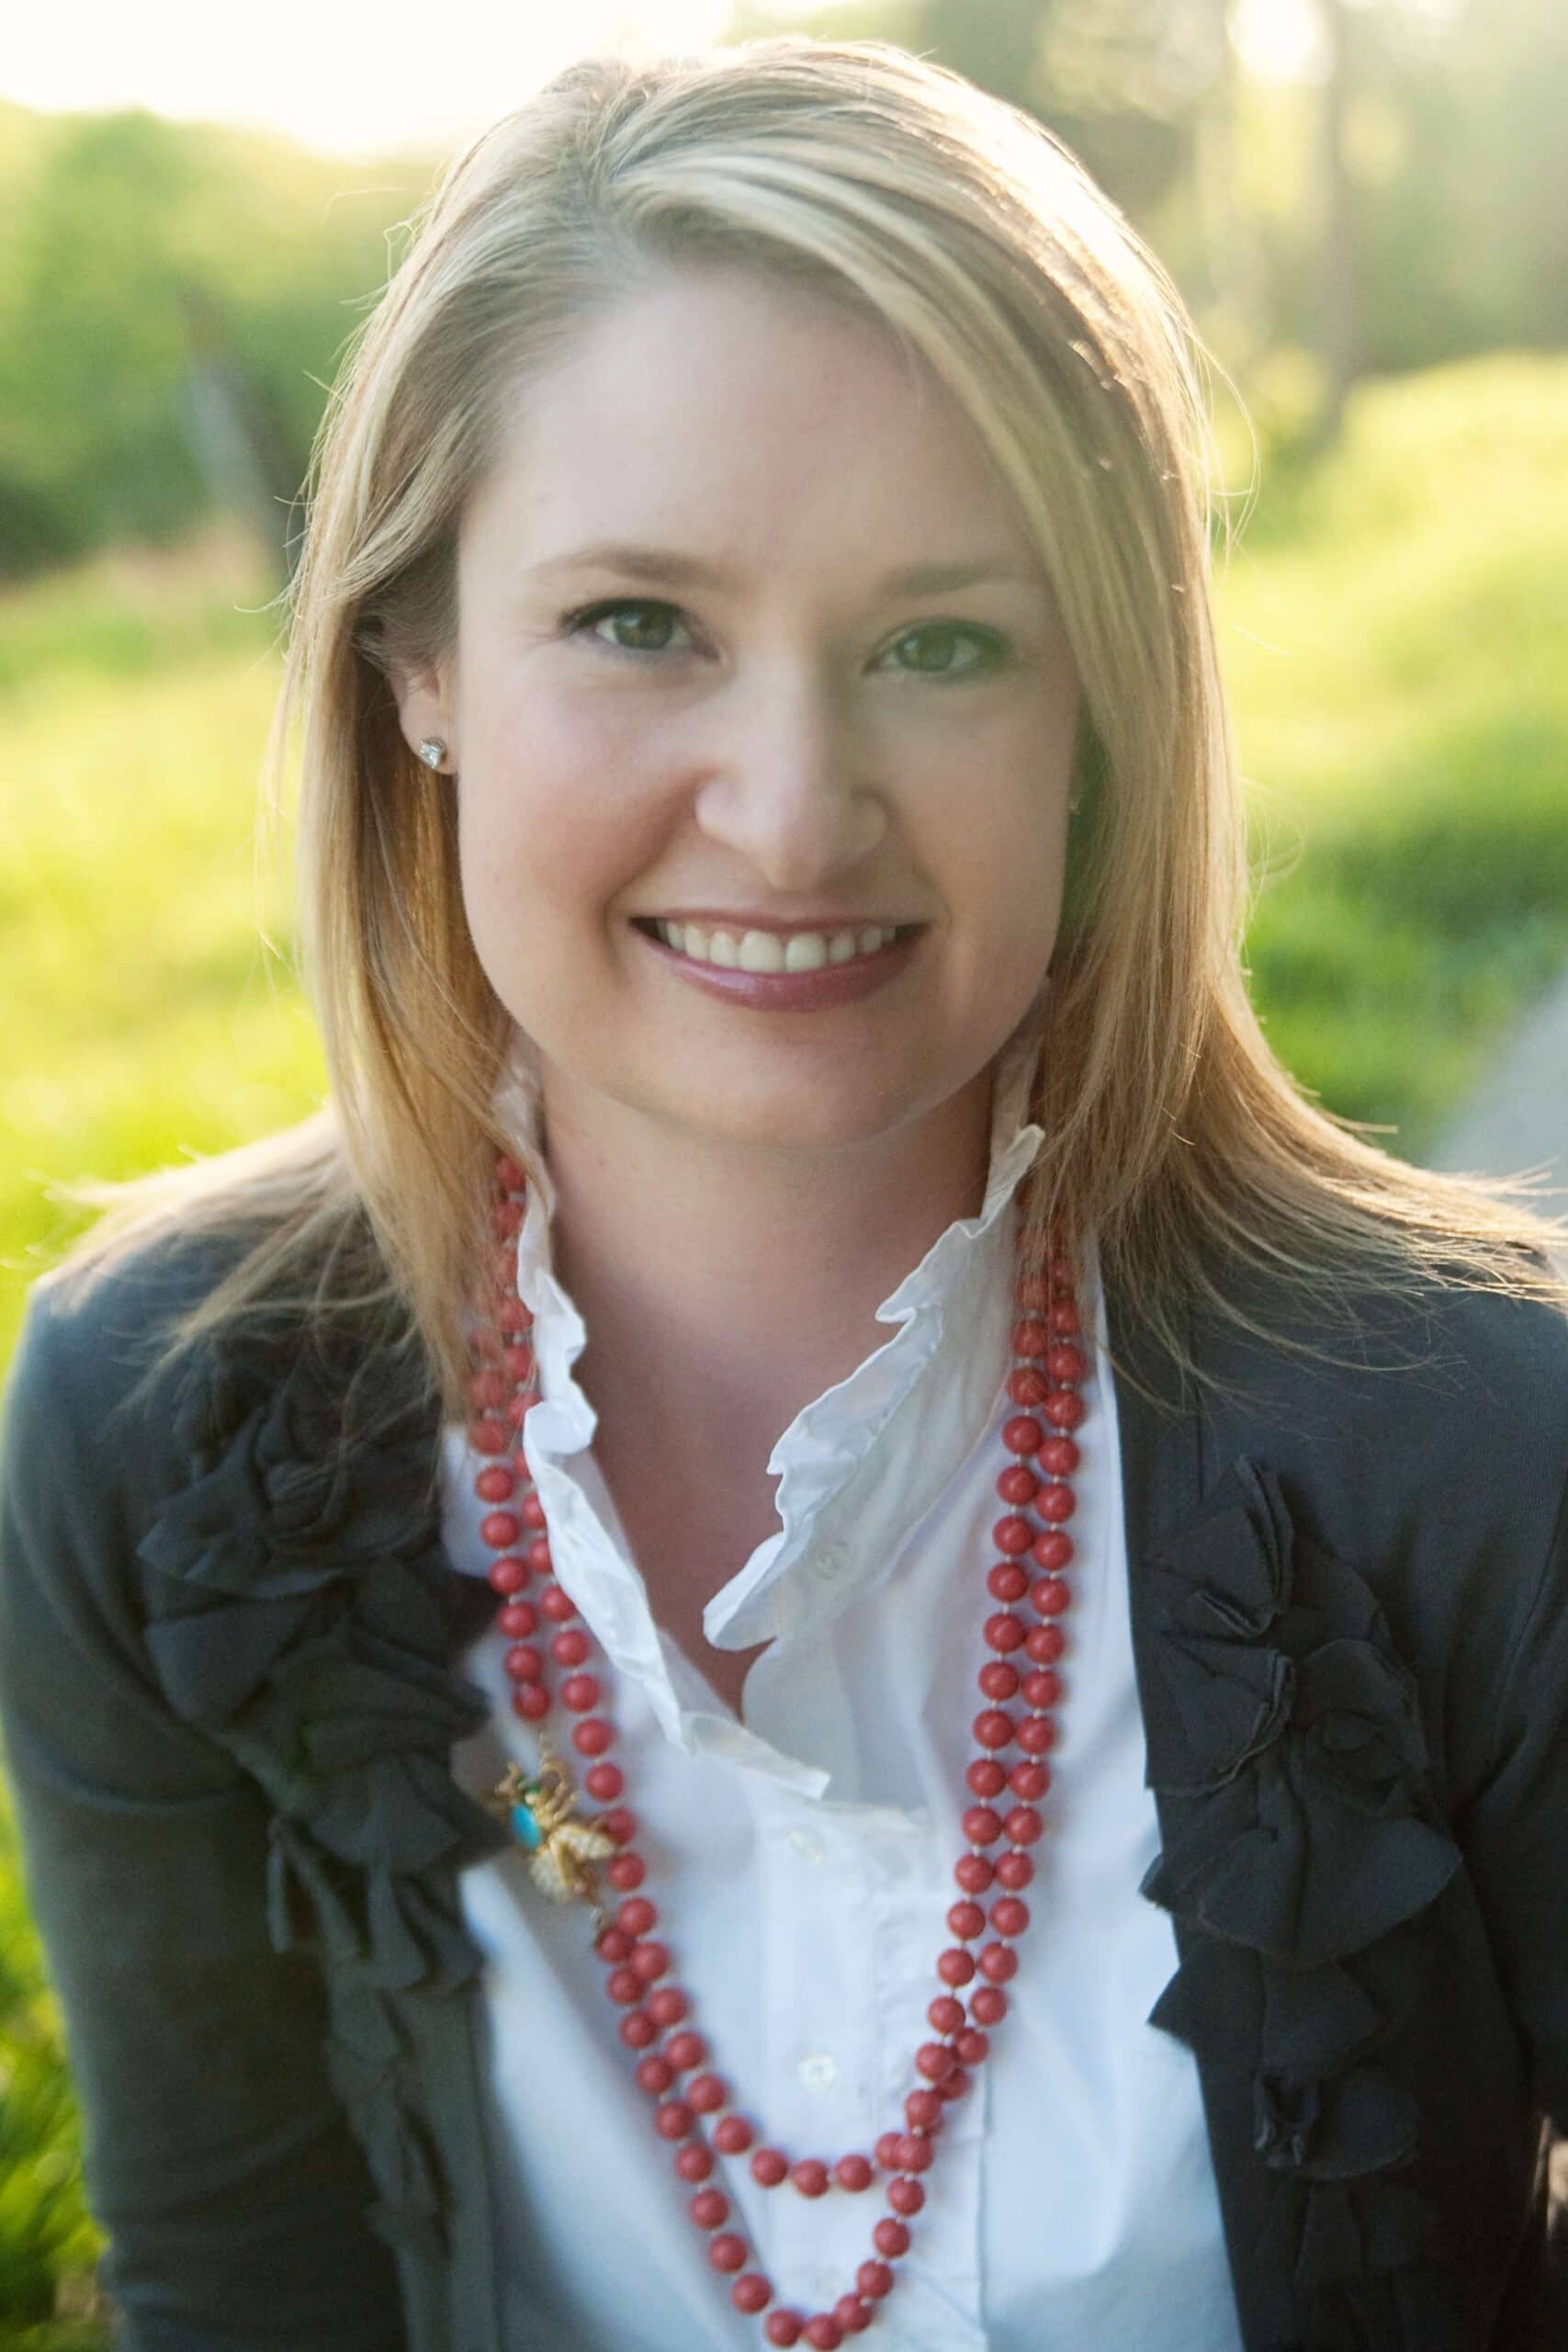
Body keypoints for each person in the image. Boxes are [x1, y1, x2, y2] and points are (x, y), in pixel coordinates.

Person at [1, 35, 1566, 2352]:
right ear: (415, 659)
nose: (790, 805)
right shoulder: (154, 1427)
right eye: (638, 620)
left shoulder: (1477, 1437)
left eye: (940, 641)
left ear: (1099, 723)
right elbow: (244, 2293)